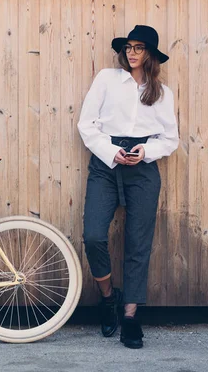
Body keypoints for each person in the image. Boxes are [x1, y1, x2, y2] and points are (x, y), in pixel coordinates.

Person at [77, 25, 179, 349]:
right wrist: (110, 151)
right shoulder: (107, 79)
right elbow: (86, 124)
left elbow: (171, 139)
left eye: (139, 48)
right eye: (129, 48)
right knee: (93, 235)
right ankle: (109, 298)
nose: (132, 53)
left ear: (149, 54)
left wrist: (145, 151)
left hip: (143, 169)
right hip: (105, 165)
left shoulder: (162, 93)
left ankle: (131, 316)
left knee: (138, 243)